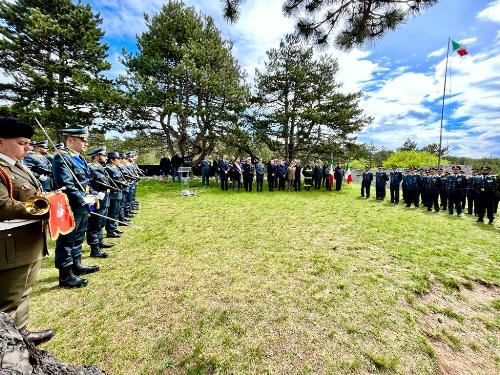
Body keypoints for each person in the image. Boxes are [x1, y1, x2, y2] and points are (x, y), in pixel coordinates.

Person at [0, 117, 54, 346]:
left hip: (27, 241)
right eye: (22, 143)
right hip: (11, 243)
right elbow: (3, 205)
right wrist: (43, 206)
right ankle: (8, 347)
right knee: (8, 301)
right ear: (1, 142)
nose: (28, 147)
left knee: (23, 292)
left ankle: (20, 335)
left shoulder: (17, 166)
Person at [52, 128, 100, 288]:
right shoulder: (61, 157)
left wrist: (92, 194)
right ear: (70, 140)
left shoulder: (79, 158)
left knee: (78, 235)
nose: (85, 142)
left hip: (83, 204)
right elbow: (66, 184)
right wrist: (82, 198)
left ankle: (76, 265)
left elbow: (86, 181)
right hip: (71, 205)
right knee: (67, 239)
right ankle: (65, 275)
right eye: (82, 139)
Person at [86, 146, 113, 258]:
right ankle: (95, 249)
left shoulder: (101, 167)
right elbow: (87, 185)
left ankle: (100, 241)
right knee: (94, 223)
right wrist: (95, 194)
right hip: (97, 199)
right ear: (97, 156)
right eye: (104, 155)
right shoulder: (90, 167)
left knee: (101, 221)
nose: (106, 157)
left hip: (105, 197)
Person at [105, 152, 127, 238]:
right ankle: (110, 230)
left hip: (119, 192)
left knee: (116, 211)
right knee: (112, 212)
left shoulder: (116, 168)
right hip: (113, 193)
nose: (119, 160)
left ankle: (114, 227)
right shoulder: (108, 169)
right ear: (112, 160)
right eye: (117, 158)